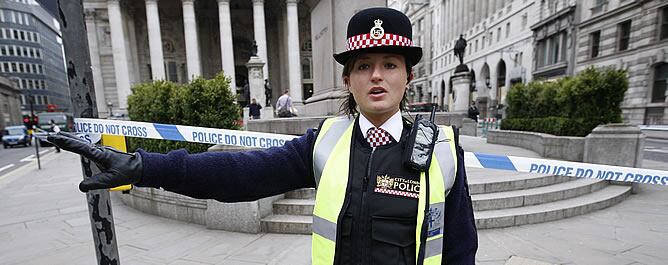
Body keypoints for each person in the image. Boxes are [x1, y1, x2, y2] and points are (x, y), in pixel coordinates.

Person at [47, 7, 477, 264]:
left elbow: (459, 250)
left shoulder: (443, 151)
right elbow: (240, 173)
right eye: (364, 66)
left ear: (408, 76)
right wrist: (144, 165)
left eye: (390, 64)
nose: (377, 75)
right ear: (347, 80)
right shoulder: (324, 143)